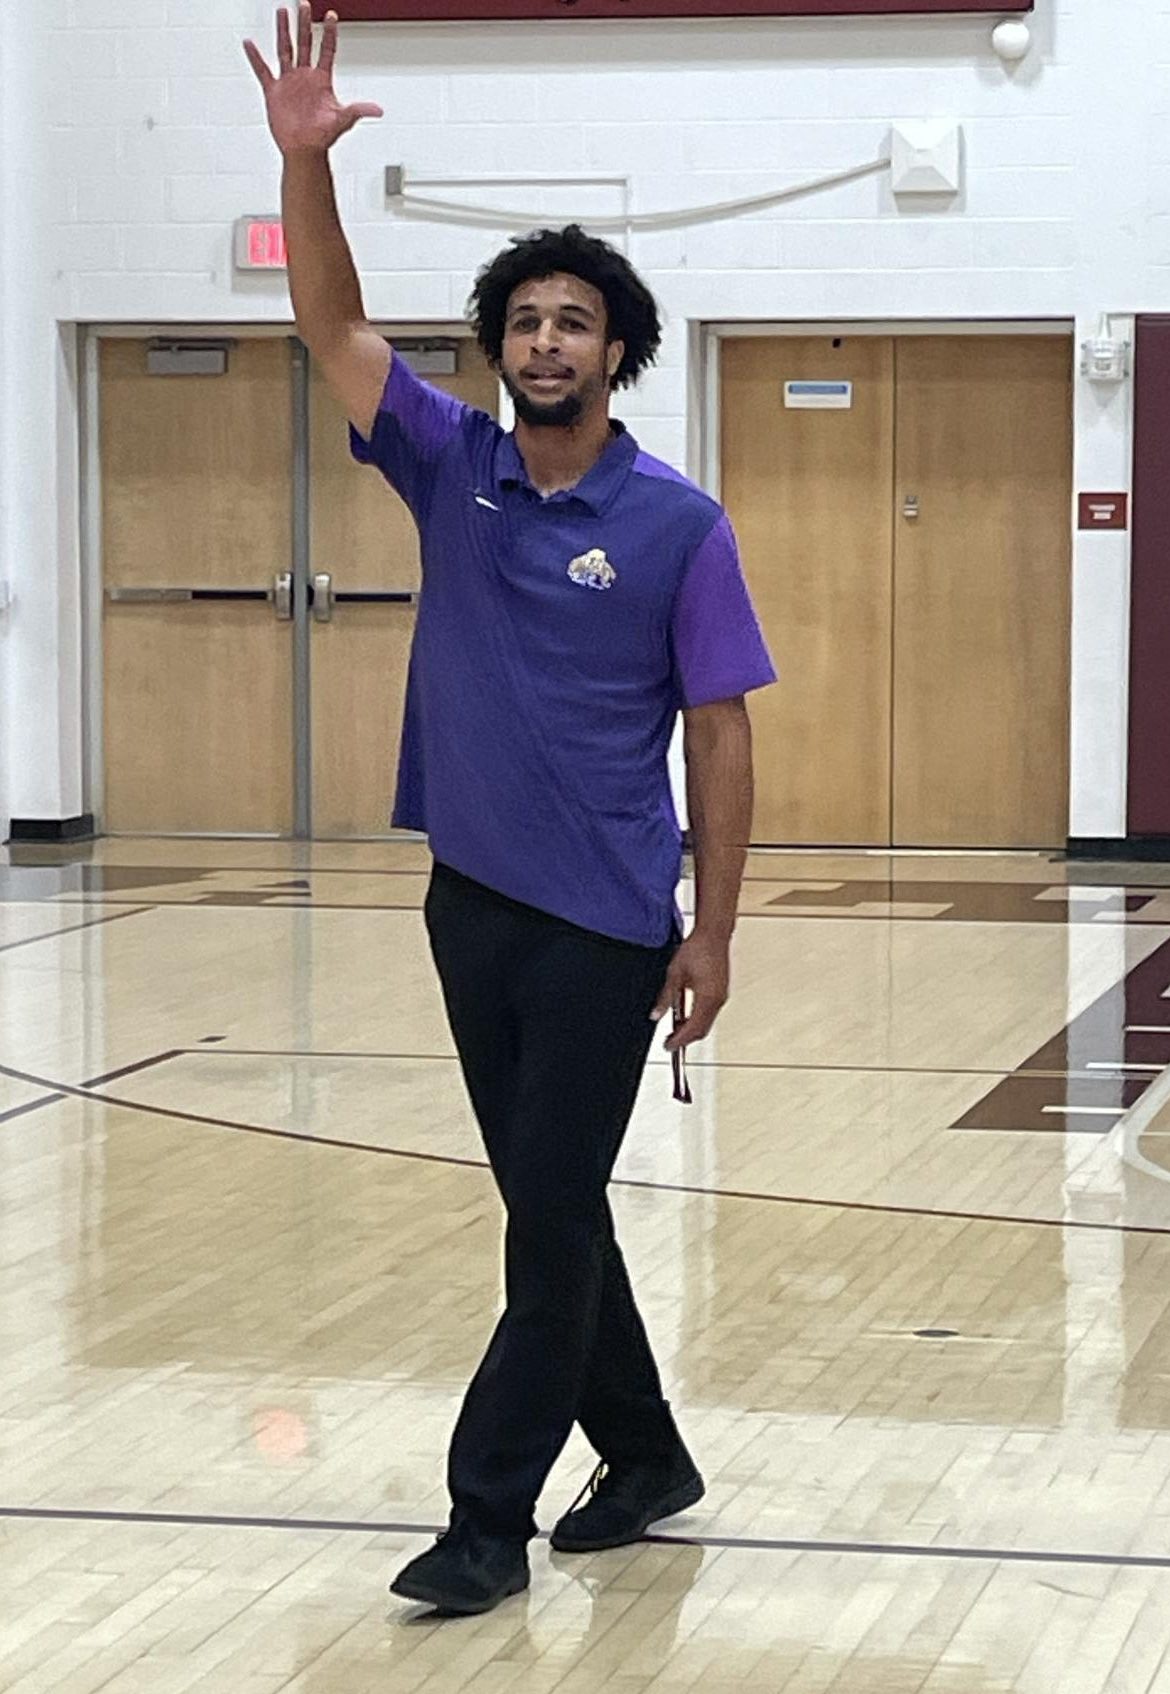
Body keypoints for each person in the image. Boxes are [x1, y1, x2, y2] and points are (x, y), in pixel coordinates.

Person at [245, 3, 776, 1617]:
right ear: (499, 349)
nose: (547, 342)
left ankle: (485, 1519)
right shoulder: (446, 464)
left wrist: (714, 933)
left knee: (545, 1225)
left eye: (576, 321)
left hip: (607, 922)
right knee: (547, 1203)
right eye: (524, 321)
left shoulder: (679, 524)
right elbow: (330, 323)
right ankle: (648, 1453)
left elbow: (722, 737)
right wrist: (302, 171)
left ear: (619, 350)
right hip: (465, 900)